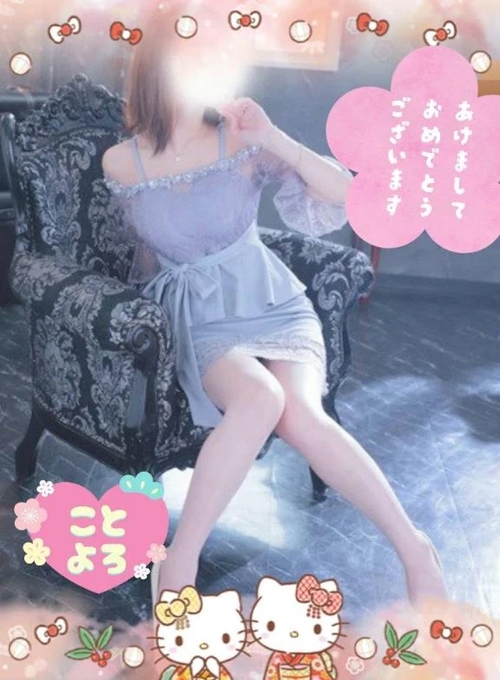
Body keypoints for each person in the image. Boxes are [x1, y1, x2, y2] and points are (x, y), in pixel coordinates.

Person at [102, 2, 446, 608]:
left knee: (302, 416)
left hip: (272, 300)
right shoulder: (120, 162)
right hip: (197, 314)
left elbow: (349, 196)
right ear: (158, 64)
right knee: (260, 397)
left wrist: (273, 137)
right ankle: (180, 560)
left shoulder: (242, 136)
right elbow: (146, 254)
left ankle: (414, 548)